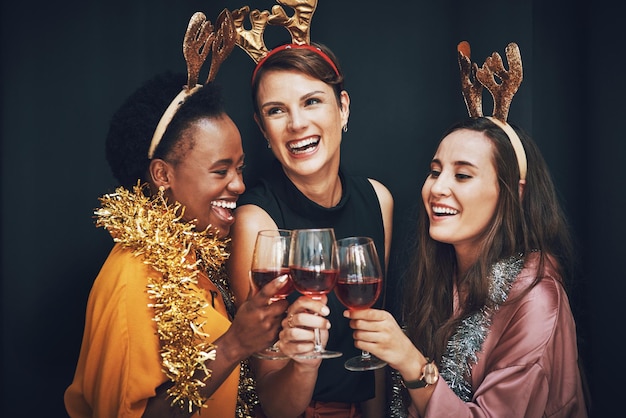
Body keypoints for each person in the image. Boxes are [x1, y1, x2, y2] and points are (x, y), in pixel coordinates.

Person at [344, 42, 588, 417]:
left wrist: (411, 363)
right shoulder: (441, 276)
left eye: (462, 175)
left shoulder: (537, 300)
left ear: (512, 194)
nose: (438, 188)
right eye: (435, 170)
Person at [64, 10, 288, 418]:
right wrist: (236, 344)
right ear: (162, 174)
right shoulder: (130, 279)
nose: (239, 185)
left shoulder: (200, 258)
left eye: (239, 168)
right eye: (220, 171)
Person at [227, 6, 394, 417]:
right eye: (277, 110)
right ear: (264, 130)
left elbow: (369, 346)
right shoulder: (256, 223)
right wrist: (302, 357)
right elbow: (272, 402)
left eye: (312, 101)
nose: (296, 124)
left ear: (344, 108)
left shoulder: (378, 200)